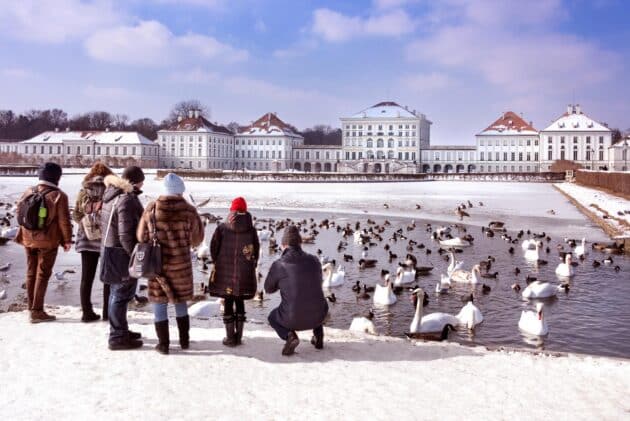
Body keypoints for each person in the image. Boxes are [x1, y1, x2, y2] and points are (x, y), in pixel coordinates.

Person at [137, 173, 204, 354]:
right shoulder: (189, 211)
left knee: (159, 303)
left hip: (157, 265)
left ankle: (164, 344)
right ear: (180, 190)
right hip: (181, 264)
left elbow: (141, 237)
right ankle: (184, 341)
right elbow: (197, 239)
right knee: (180, 302)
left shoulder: (151, 208)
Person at [15, 162, 73, 323]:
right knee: (43, 274)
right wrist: (67, 240)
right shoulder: (59, 195)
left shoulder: (28, 191)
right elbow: (64, 221)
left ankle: (31, 306)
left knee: (31, 271)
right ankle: (37, 310)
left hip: (27, 238)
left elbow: (19, 213)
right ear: (57, 177)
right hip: (48, 241)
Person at [264, 225, 328, 356]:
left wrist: (281, 282)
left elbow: (268, 289)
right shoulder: (315, 260)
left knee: (272, 317)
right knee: (313, 299)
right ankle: (319, 335)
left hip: (292, 318)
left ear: (283, 245)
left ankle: (290, 336)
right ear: (300, 242)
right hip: (319, 315)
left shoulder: (279, 264)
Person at [100, 166, 145, 350]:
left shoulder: (112, 195)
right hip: (120, 254)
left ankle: (120, 329)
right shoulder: (126, 199)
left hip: (110, 250)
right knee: (120, 294)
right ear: (135, 181)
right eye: (142, 180)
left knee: (117, 294)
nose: (143, 184)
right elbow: (125, 234)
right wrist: (134, 256)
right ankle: (117, 336)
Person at [209, 196, 259, 347]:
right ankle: (239, 337)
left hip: (225, 272)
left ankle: (230, 338)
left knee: (228, 300)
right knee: (240, 299)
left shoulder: (222, 228)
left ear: (232, 210)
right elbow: (255, 250)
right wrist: (251, 265)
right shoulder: (251, 230)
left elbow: (213, 248)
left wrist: (217, 262)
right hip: (244, 272)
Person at [72, 162, 113, 322]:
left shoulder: (84, 191)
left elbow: (76, 215)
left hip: (86, 240)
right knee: (108, 278)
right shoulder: (111, 190)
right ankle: (107, 312)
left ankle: (87, 313)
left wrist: (86, 223)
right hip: (106, 240)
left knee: (86, 278)